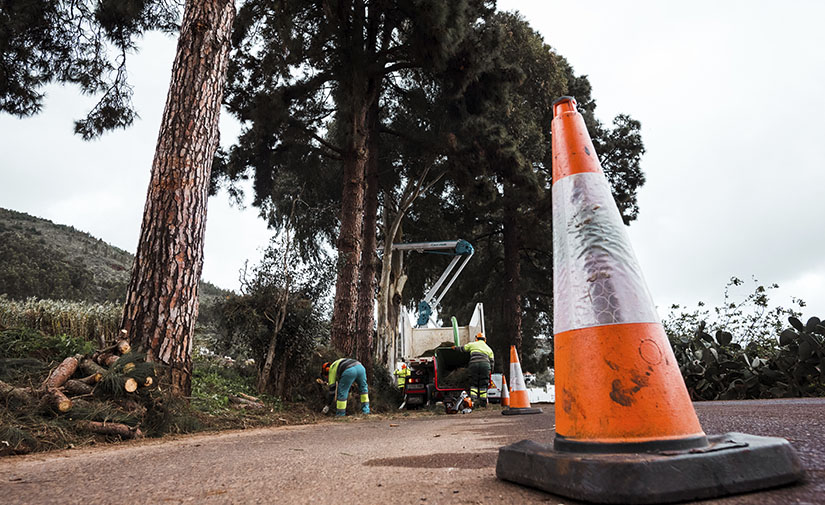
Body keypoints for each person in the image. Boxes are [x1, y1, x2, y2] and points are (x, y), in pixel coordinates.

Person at [454, 333, 494, 407]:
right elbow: (492, 362)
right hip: (485, 365)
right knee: (483, 383)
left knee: (474, 382)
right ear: (485, 340)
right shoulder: (488, 348)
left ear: (476, 339)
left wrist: (455, 348)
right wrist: (490, 370)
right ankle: (483, 402)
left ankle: (473, 401)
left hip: (474, 364)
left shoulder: (472, 344)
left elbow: (463, 349)